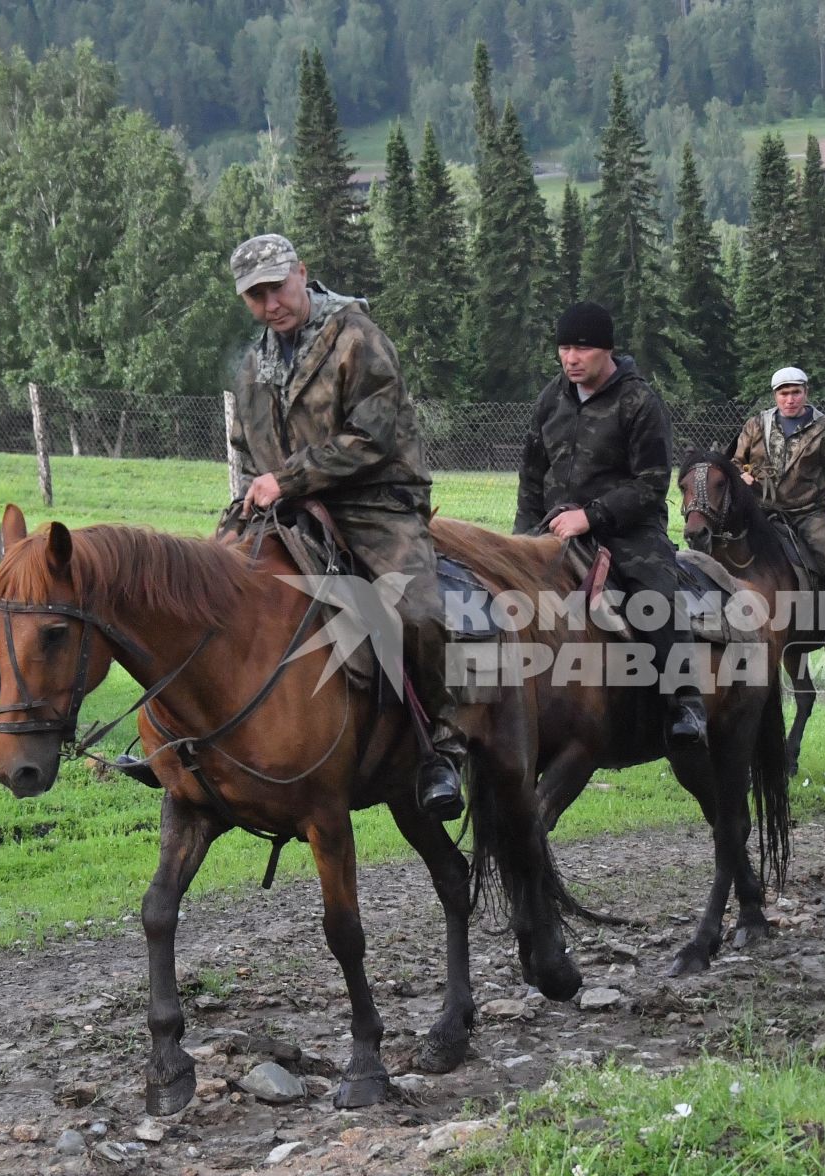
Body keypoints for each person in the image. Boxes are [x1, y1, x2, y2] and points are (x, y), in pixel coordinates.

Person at [221, 233, 464, 821]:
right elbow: (246, 448)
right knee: (205, 591)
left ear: (302, 274)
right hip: (287, 507)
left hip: (375, 502)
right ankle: (207, 746)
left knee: (418, 615)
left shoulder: (359, 338)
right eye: (256, 295)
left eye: (277, 287)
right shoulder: (253, 364)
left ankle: (440, 745)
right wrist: (255, 493)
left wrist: (289, 479)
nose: (271, 302)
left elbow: (373, 438)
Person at [514, 301, 708, 745]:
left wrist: (591, 516)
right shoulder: (551, 399)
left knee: (654, 596)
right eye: (564, 348)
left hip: (629, 532)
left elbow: (652, 483)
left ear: (607, 350)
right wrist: (522, 538)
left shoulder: (639, 401)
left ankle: (686, 700)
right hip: (552, 530)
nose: (570, 359)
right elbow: (530, 475)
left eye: (581, 349)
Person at [730, 366, 825, 650]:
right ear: (775, 396)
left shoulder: (824, 428)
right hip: (762, 510)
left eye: (795, 392)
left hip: (808, 511)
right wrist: (739, 475)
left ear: (806, 393)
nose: (789, 399)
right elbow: (733, 462)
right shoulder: (756, 425)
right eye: (783, 393)